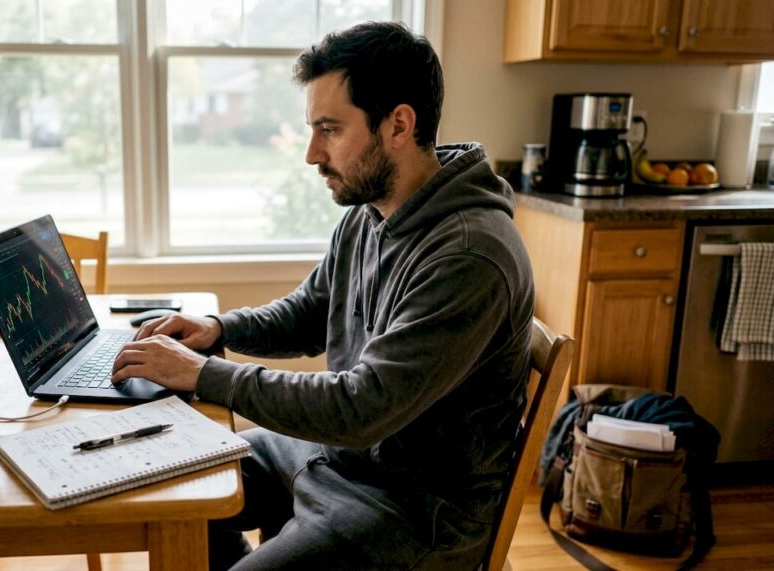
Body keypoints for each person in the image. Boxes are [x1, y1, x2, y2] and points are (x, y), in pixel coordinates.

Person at [111, 21, 535, 570]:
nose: (312, 154)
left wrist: (202, 373)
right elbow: (311, 312)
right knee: (183, 483)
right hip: (344, 460)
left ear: (399, 125)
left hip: (412, 510)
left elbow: (362, 407)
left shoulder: (468, 256)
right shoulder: (371, 213)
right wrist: (219, 329)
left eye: (329, 129)